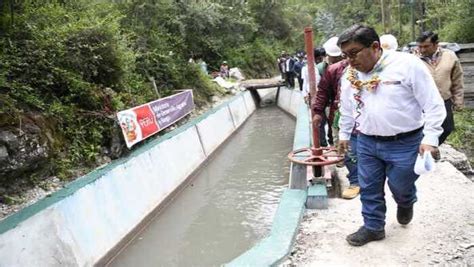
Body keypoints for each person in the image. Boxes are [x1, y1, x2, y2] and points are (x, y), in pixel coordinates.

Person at [337, 25, 446, 246]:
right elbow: (347, 109)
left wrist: (430, 138)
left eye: (354, 53)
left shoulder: (407, 65)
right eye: (346, 55)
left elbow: (433, 104)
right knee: (368, 187)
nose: (350, 60)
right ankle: (373, 227)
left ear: (375, 46)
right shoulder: (349, 76)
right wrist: (344, 134)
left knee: (400, 185)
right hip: (367, 141)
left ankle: (406, 201)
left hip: (405, 142)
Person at [311, 56, 357, 199]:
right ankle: (356, 181)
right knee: (348, 149)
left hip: (372, 120)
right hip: (344, 115)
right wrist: (318, 111)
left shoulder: (381, 69)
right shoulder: (336, 70)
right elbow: (323, 92)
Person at [417, 31, 464, 146]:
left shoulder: (450, 56)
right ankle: (422, 151)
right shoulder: (413, 58)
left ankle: (431, 147)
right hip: (422, 103)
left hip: (444, 99)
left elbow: (457, 79)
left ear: (436, 44)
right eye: (420, 46)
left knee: (447, 128)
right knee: (422, 129)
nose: (422, 50)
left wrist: (458, 100)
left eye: (426, 46)